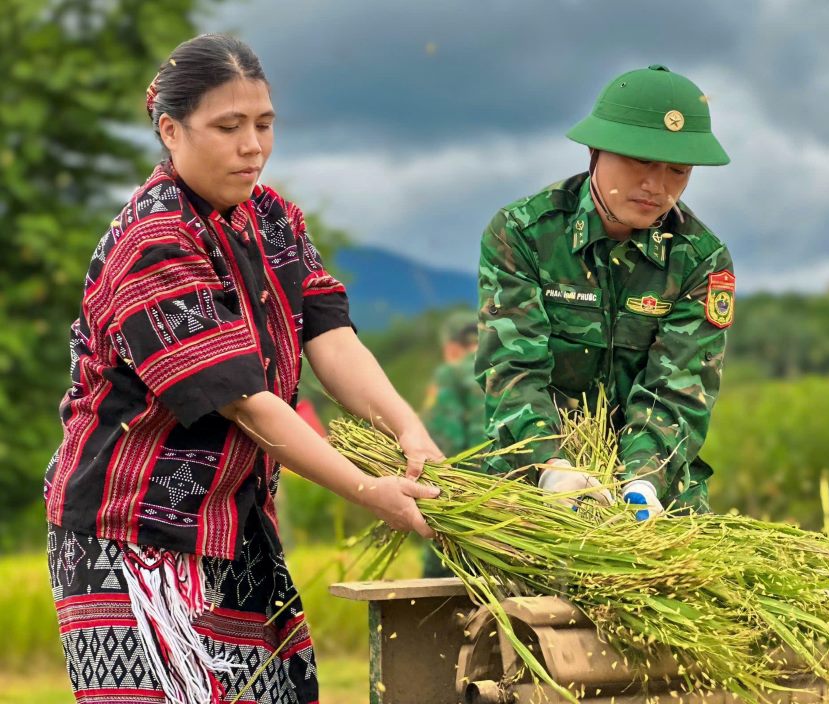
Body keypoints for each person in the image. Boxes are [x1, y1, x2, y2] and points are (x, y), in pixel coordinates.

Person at [43, 34, 442, 704]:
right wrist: (367, 491)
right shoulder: (154, 240)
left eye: (264, 125)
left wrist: (409, 431)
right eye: (228, 128)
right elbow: (244, 401)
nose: (252, 146)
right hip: (131, 537)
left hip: (233, 525)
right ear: (171, 131)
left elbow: (332, 338)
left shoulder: (273, 219)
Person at [476, 65, 733, 519]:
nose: (657, 186)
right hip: (535, 483)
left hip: (657, 493)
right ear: (596, 150)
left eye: (677, 170)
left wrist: (643, 480)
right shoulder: (523, 235)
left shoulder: (699, 260)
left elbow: (678, 392)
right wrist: (551, 466)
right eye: (640, 161)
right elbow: (512, 370)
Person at [420, 311, 486, 577]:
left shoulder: (450, 375)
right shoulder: (513, 370)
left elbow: (441, 448)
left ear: (451, 347)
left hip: (468, 507)